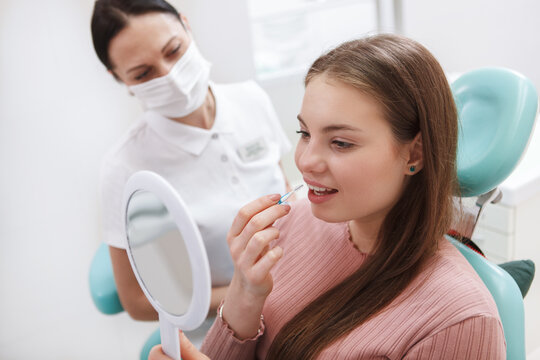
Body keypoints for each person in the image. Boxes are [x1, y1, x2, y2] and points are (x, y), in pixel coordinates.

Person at [194, 34, 505, 358]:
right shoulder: (289, 225)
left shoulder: (460, 321)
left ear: (415, 154)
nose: (305, 161)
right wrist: (243, 294)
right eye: (305, 134)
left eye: (340, 143)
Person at [90, 0, 291, 320]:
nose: (171, 77)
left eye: (173, 51)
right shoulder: (125, 167)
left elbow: (285, 195)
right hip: (219, 320)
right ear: (120, 78)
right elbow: (139, 301)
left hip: (298, 283)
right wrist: (248, 292)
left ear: (186, 25)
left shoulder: (251, 99)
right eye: (143, 73)